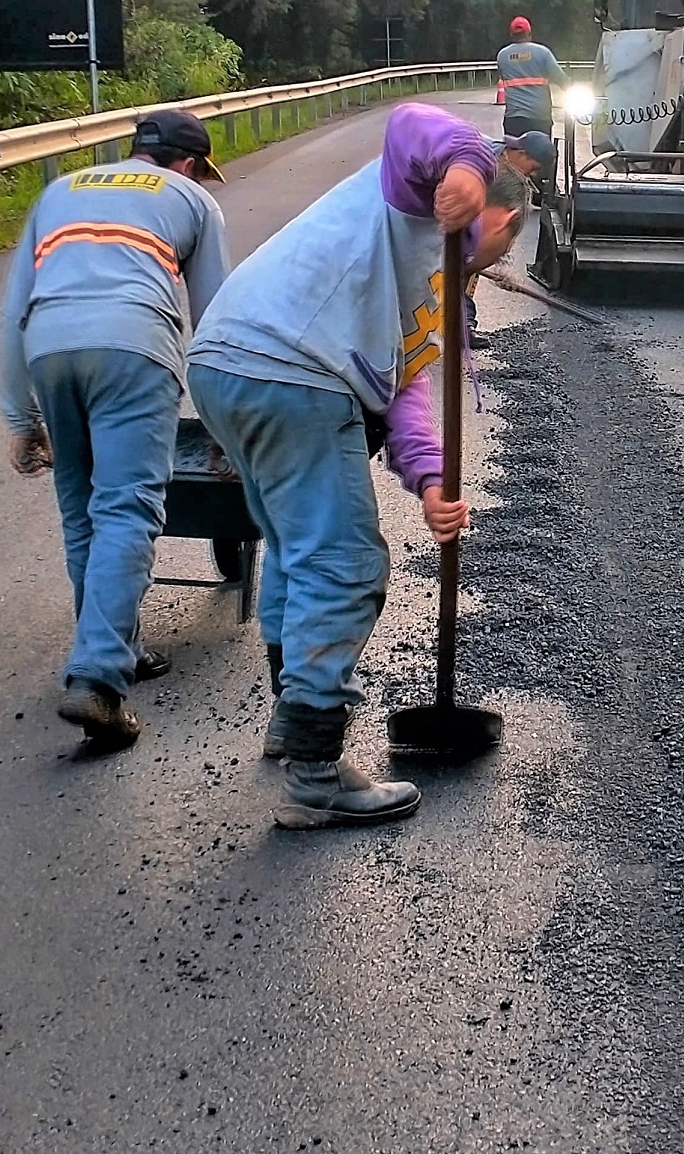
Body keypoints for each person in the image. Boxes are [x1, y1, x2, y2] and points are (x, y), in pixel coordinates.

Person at [187, 103, 531, 830]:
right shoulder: (417, 197)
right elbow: (412, 125)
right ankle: (316, 772)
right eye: (491, 248)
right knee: (345, 564)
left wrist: (433, 482)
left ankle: (292, 725)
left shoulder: (433, 286)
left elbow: (404, 391)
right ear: (499, 216)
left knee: (294, 548)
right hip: (288, 367)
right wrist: (469, 169)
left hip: (228, 365)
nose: (478, 265)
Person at [0, 109, 231, 751]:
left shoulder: (60, 191)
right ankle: (99, 680)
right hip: (133, 345)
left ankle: (114, 646)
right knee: (128, 508)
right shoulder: (191, 199)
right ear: (187, 164)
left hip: (49, 347)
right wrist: (224, 425)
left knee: (82, 509)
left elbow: (14, 307)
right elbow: (214, 315)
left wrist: (21, 417)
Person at [496, 16, 565, 140]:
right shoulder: (543, 52)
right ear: (529, 33)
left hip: (513, 119)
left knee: (513, 156)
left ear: (512, 35)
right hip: (539, 119)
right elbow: (561, 79)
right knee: (542, 156)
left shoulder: (502, 55)